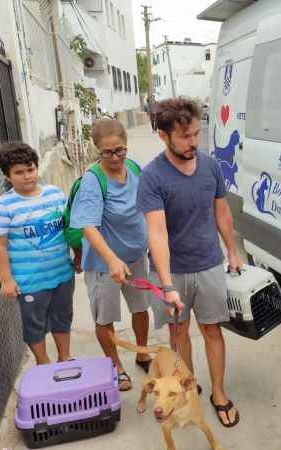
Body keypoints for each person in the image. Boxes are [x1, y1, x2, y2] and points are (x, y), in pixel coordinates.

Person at [137, 97, 242, 427]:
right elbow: (157, 234)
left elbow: (221, 211)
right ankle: (189, 387)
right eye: (184, 136)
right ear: (163, 136)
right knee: (179, 332)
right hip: (174, 271)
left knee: (212, 329)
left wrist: (232, 251)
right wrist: (167, 285)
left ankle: (219, 393)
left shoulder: (210, 166)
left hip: (209, 263)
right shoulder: (153, 176)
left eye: (196, 133)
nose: (192, 142)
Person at [70, 119, 153, 391]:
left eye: (119, 150)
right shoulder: (93, 181)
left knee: (141, 308)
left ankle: (142, 353)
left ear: (126, 146)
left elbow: (145, 203)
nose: (115, 157)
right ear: (97, 150)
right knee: (104, 317)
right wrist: (112, 259)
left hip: (136, 256)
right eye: (107, 152)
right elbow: (87, 225)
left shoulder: (133, 167)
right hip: (105, 264)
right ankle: (116, 365)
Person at [0, 142, 74, 365]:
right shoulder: (3, 206)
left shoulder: (55, 195)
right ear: (7, 176)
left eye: (30, 169)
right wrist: (6, 280)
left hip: (62, 274)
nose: (27, 176)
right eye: (19, 172)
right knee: (35, 325)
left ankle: (65, 357)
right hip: (30, 282)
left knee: (63, 318)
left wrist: (78, 257)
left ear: (36, 167)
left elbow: (70, 229)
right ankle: (43, 363)